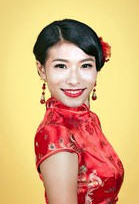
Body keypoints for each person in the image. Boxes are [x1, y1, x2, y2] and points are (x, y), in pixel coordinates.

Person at [33, 19, 124, 204]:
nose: (74, 79)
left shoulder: (88, 119)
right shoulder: (55, 133)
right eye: (61, 66)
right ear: (42, 69)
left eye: (85, 65)